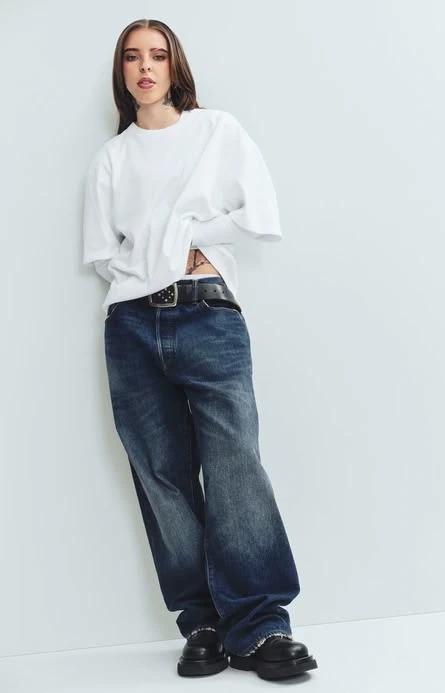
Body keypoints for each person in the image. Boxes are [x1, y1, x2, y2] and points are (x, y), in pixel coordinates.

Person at [82, 18, 318, 682]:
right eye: (133, 57)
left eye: (157, 56)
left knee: (235, 464)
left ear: (175, 66)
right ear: (122, 72)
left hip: (207, 313)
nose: (145, 67)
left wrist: (190, 235)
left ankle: (262, 624)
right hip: (131, 326)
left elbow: (261, 215)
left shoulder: (216, 132)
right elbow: (102, 254)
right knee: (161, 476)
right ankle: (203, 623)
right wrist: (155, 261)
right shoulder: (111, 159)